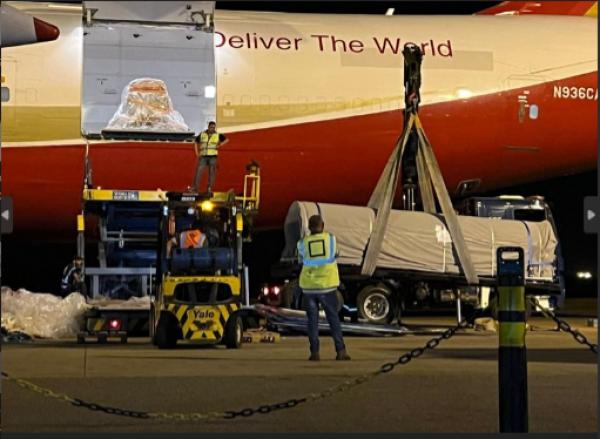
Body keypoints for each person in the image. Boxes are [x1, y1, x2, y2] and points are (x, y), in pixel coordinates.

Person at [297, 215, 351, 361]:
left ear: (309, 227)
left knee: (312, 321)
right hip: (327, 287)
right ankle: (340, 351)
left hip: (309, 288)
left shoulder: (302, 243)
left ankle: (314, 353)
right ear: (323, 225)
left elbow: (300, 259)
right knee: (333, 318)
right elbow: (337, 254)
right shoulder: (331, 239)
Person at [190, 121, 229, 193]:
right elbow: (196, 142)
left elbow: (227, 140)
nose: (213, 129)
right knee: (199, 172)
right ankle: (195, 188)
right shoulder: (202, 134)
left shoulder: (217, 135)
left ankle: (209, 188)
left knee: (212, 173)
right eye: (211, 127)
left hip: (213, 156)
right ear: (208, 127)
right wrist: (196, 152)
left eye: (214, 127)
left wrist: (220, 145)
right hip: (203, 155)